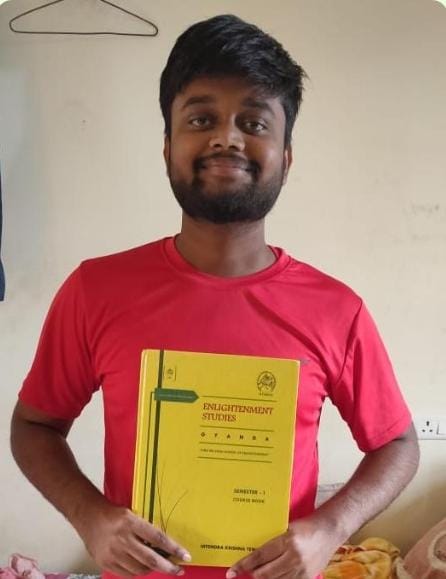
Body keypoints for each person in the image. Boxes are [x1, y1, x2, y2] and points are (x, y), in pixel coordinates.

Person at [11, 14, 419, 579]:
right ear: (167, 147)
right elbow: (34, 426)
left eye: (253, 122)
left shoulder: (335, 310)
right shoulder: (94, 290)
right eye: (201, 118)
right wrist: (92, 517)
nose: (227, 137)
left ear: (286, 157)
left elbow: (398, 444)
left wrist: (331, 527)